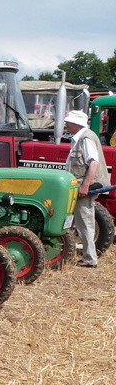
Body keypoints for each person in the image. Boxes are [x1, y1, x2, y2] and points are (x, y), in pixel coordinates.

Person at [64, 109, 109, 267]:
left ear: (76, 123)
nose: (66, 124)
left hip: (84, 187)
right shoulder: (80, 138)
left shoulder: (86, 138)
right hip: (76, 186)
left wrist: (85, 185)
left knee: (85, 221)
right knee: (75, 221)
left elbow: (94, 163)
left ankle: (90, 259)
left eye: (68, 122)